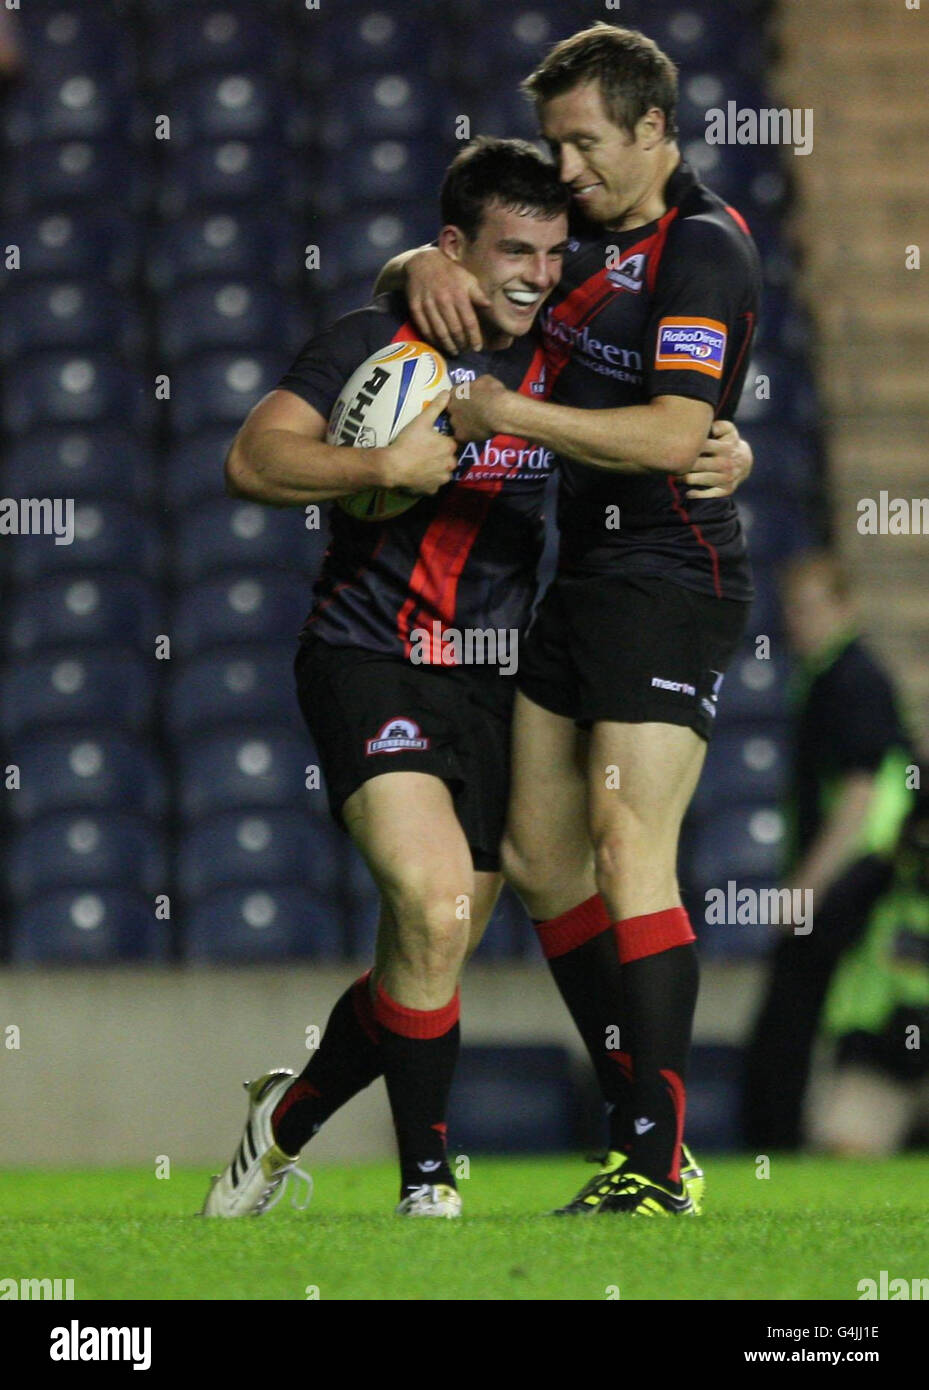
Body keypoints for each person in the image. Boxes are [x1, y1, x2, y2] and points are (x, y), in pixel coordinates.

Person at [202, 136, 750, 1220]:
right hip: (368, 655)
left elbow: (665, 417)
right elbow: (250, 459)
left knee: (439, 932)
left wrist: (730, 450)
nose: (535, 273)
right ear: (455, 249)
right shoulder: (374, 340)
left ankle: (282, 1124)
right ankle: (428, 1187)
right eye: (510, 249)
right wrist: (377, 467)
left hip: (498, 678)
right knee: (434, 901)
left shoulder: (564, 349)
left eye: (552, 251)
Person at [385, 22, 761, 1215]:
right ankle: (645, 1118)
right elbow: (474, 268)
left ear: (653, 128)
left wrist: (512, 417)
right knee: (543, 856)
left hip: (674, 575)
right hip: (582, 580)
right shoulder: (586, 230)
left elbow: (664, 434)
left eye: (584, 143)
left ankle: (652, 1164)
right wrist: (414, 268)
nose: (566, 168)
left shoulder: (702, 252)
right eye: (553, 143)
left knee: (624, 850)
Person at [743, 551, 915, 1150]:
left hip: (863, 869)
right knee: (806, 1006)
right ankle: (784, 1136)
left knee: (793, 1010)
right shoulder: (825, 676)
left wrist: (805, 889)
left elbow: (862, 795)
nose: (797, 619)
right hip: (861, 871)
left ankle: (776, 1139)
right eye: (791, 605)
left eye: (810, 605)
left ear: (845, 607)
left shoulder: (852, 678)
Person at [813, 795, 929, 1156]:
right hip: (876, 1056)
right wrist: (887, 861)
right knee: (845, 1151)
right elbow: (823, 929)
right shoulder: (882, 877)